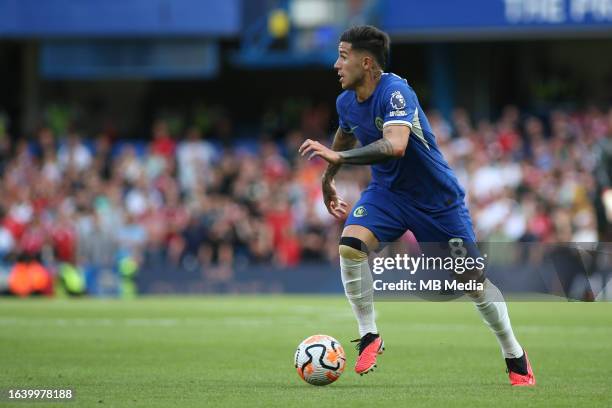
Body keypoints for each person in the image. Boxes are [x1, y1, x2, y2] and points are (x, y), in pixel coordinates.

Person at [299, 25, 535, 386]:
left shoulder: (397, 92)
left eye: (343, 56)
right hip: (388, 194)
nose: (336, 64)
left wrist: (338, 155)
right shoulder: (346, 101)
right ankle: (369, 335)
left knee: (472, 283)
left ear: (366, 62)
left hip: (436, 202)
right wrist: (328, 178)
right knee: (350, 246)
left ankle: (514, 353)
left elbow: (395, 144)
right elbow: (344, 134)